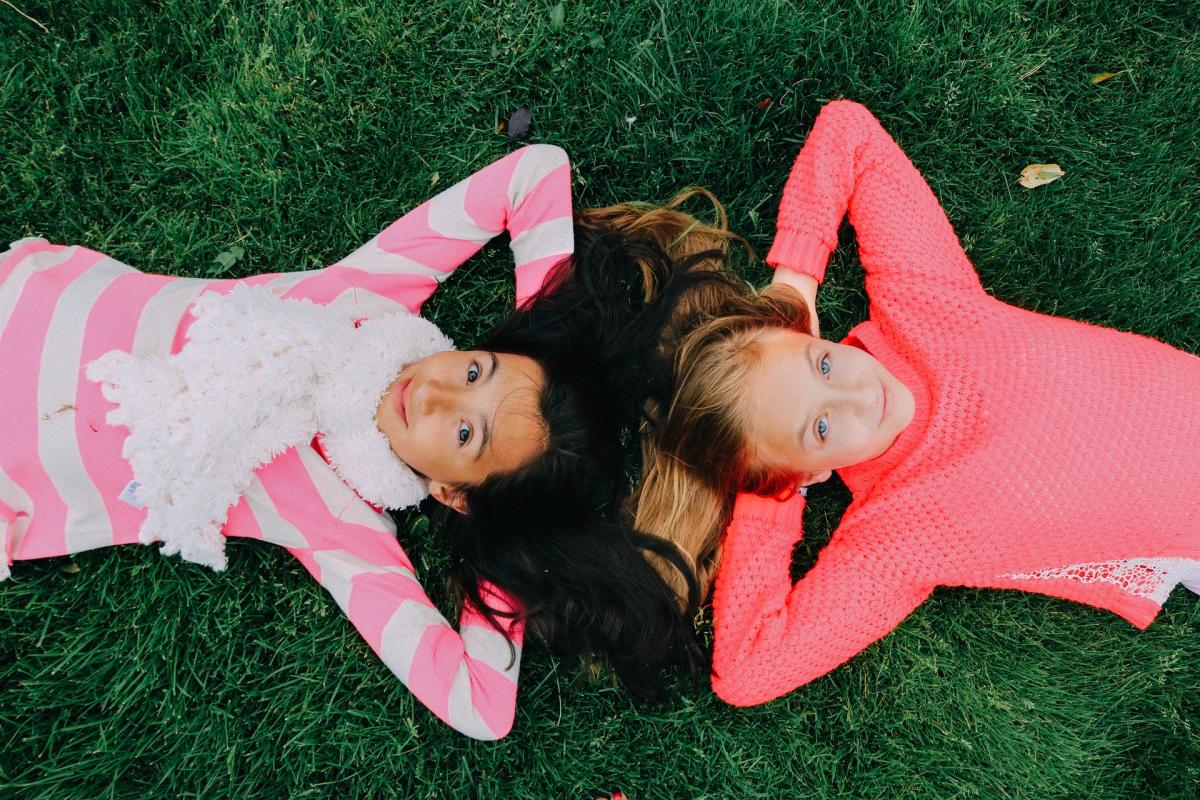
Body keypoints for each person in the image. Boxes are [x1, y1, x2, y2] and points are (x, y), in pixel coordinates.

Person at [0, 144, 708, 738]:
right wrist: (546, 334)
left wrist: (506, 540)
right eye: (472, 368)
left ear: (453, 491)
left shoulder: (343, 528)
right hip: (27, 307)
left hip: (22, 469)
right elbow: (535, 172)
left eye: (465, 431)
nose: (433, 391)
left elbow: (481, 706)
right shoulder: (366, 302)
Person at [634, 101, 1200, 707]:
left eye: (821, 363)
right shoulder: (900, 533)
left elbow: (849, 131)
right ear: (808, 472)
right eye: (821, 426)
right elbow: (748, 672)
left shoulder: (925, 310)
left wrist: (795, 282)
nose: (858, 393)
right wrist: (769, 494)